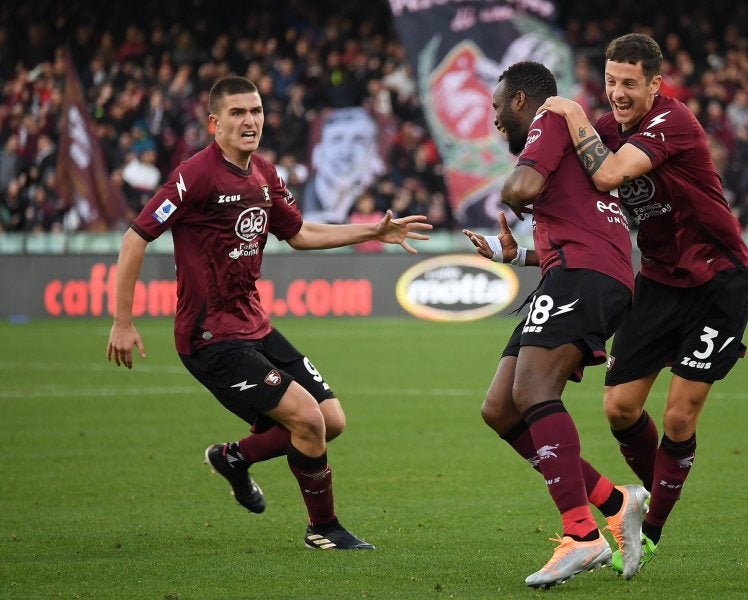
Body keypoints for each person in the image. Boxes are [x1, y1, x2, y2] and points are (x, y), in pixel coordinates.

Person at [106, 76, 431, 550]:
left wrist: (370, 232)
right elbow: (136, 236)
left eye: (255, 111)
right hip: (210, 337)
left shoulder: (266, 174)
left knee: (331, 421)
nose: (250, 121)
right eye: (238, 113)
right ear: (215, 123)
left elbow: (298, 233)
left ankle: (234, 458)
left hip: (255, 326)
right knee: (307, 422)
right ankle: (323, 528)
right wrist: (122, 320)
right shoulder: (193, 176)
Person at [527, 33, 748, 575]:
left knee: (679, 414)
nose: (619, 93)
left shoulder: (673, 123)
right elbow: (574, 192)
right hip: (658, 282)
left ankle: (649, 534)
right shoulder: (604, 129)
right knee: (619, 408)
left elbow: (605, 174)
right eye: (610, 82)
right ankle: (641, 502)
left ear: (655, 83)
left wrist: (570, 111)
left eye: (630, 83)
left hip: (718, 281)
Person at [463, 61, 648, 589]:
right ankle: (616, 502)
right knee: (500, 408)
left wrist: (510, 191)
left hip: (585, 277)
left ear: (520, 100)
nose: (496, 119)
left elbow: (521, 187)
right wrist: (515, 254)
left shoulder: (549, 119)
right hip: (571, 274)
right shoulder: (566, 144)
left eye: (498, 108)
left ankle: (581, 536)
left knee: (534, 390)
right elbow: (573, 219)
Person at [302, 107, 386, 224]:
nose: (346, 152)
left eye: (359, 141)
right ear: (318, 152)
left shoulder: (376, 197)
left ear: (373, 152)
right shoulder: (294, 195)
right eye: (336, 139)